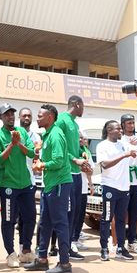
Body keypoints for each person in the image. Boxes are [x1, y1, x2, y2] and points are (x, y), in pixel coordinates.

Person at [24, 104, 73, 273]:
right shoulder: (48, 134)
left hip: (59, 184)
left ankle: (65, 264)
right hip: (49, 185)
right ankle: (42, 259)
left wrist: (42, 165)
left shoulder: (56, 134)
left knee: (60, 223)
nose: (37, 118)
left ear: (50, 117)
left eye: (40, 115)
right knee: (44, 223)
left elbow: (59, 161)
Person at [0, 103, 35, 268]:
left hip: (25, 183)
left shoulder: (22, 132)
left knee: (30, 217)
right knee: (8, 220)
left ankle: (25, 250)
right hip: (8, 185)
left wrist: (18, 143)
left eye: (12, 114)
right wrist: (11, 144)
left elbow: (31, 153)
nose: (10, 116)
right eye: (6, 114)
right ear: (1, 117)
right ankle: (10, 253)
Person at [96, 120, 136, 261]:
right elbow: (105, 165)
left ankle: (120, 247)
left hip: (124, 188)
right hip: (110, 187)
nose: (120, 131)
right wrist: (124, 155)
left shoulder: (123, 144)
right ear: (109, 130)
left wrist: (136, 146)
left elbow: (135, 152)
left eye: (121, 129)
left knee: (121, 219)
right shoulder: (102, 146)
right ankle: (104, 248)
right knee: (106, 218)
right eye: (118, 129)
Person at [56, 95, 89, 260]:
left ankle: (68, 246)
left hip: (76, 174)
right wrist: (73, 159)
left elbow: (73, 148)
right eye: (83, 106)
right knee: (67, 213)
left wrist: (81, 156)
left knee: (74, 212)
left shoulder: (75, 124)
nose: (84, 109)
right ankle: (62, 249)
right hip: (65, 174)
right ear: (76, 104)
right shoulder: (61, 120)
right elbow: (58, 146)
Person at [17, 106, 42, 262]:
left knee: (29, 216)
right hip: (13, 181)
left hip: (30, 181)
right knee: (14, 218)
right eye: (24, 115)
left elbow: (37, 156)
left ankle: (25, 248)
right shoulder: (14, 134)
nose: (27, 118)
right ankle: (14, 251)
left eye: (29, 115)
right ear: (19, 117)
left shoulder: (36, 136)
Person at [120, 114, 137, 253]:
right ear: (122, 124)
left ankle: (132, 241)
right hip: (123, 180)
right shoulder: (119, 139)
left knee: (135, 213)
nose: (131, 125)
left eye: (133, 122)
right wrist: (129, 145)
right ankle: (119, 242)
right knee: (122, 213)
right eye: (128, 123)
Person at [71, 132, 94, 250]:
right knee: (73, 215)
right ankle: (71, 241)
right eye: (79, 137)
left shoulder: (86, 152)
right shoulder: (72, 150)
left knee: (80, 216)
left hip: (84, 187)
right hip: (73, 186)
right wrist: (80, 166)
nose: (81, 140)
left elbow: (90, 171)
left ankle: (76, 239)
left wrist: (91, 184)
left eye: (83, 138)